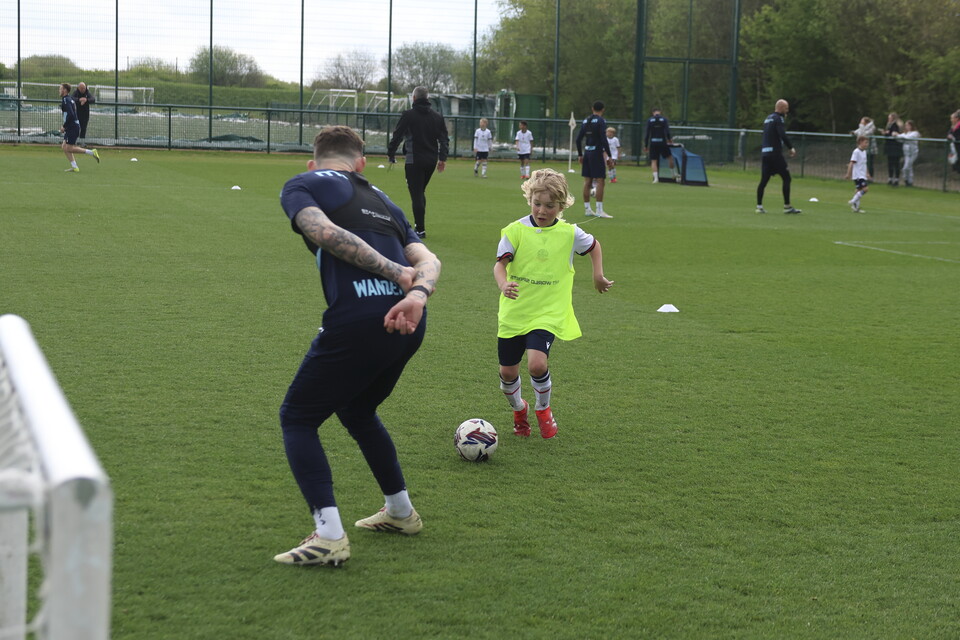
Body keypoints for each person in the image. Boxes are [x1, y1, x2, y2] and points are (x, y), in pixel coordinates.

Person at [274, 125, 442, 567]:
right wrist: (416, 294)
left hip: (359, 319)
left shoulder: (303, 183)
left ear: (313, 161)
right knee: (357, 410)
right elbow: (428, 260)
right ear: (361, 164)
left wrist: (392, 272)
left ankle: (328, 535)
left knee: (298, 417)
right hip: (409, 320)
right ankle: (401, 512)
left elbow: (320, 229)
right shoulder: (385, 199)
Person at [494, 168, 613, 439]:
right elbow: (500, 265)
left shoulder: (570, 233)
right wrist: (503, 284)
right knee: (507, 372)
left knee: (537, 364)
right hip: (515, 311)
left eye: (550, 206)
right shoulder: (515, 231)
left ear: (561, 206)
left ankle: (543, 409)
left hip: (549, 312)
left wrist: (597, 275)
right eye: (537, 204)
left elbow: (594, 246)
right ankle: (518, 409)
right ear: (529, 200)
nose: (542, 210)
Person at [387, 86, 449, 238]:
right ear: (427, 98)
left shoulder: (408, 115)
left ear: (413, 98)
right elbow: (444, 139)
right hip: (431, 161)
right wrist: (442, 158)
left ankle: (420, 229)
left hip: (414, 160)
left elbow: (398, 135)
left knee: (416, 194)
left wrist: (391, 153)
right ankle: (419, 226)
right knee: (420, 192)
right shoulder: (437, 116)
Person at [755, 99, 801, 214]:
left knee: (764, 180)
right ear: (780, 108)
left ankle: (759, 206)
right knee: (787, 178)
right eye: (786, 108)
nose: (787, 111)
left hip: (765, 154)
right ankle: (787, 207)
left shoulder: (767, 119)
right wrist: (791, 147)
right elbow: (782, 134)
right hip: (775, 154)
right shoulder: (778, 118)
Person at [576, 101, 613, 218]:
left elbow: (578, 139)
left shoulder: (586, 120)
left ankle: (587, 209)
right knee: (600, 180)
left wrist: (580, 154)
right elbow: (603, 139)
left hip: (587, 152)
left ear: (592, 109)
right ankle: (599, 210)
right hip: (596, 153)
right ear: (603, 110)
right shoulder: (601, 121)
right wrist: (609, 155)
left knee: (587, 181)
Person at [58, 83, 99, 172]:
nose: (59, 91)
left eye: (60, 89)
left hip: (72, 126)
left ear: (64, 90)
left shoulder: (66, 100)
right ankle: (74, 167)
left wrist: (64, 126)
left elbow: (71, 114)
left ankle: (92, 152)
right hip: (72, 125)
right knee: (64, 146)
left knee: (69, 148)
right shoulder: (68, 99)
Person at [643, 108, 674, 183]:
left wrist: (646, 145)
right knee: (669, 157)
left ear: (653, 113)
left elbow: (647, 134)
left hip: (653, 142)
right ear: (660, 112)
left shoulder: (650, 120)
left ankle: (656, 178)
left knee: (654, 161)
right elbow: (667, 131)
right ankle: (673, 174)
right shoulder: (664, 120)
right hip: (662, 142)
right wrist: (669, 140)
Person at [845, 136, 871, 212]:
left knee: (858, 191)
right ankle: (853, 201)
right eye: (866, 142)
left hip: (862, 174)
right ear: (860, 142)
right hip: (858, 175)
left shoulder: (864, 152)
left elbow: (864, 164)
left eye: (867, 142)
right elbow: (851, 163)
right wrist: (848, 174)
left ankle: (855, 208)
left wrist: (867, 173)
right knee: (865, 189)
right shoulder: (856, 151)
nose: (867, 144)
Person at [894, 120, 920, 187]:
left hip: (913, 152)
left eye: (908, 125)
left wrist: (898, 135)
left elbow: (908, 138)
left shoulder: (915, 133)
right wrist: (895, 135)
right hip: (906, 153)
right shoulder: (906, 133)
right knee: (908, 167)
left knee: (906, 167)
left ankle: (907, 179)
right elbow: (900, 139)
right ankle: (908, 181)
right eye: (906, 125)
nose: (907, 127)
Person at [881, 113, 903, 186]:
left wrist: (886, 133)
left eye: (889, 118)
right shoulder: (889, 125)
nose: (888, 119)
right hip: (890, 146)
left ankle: (896, 179)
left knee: (895, 163)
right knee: (890, 163)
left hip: (894, 147)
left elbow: (893, 134)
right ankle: (890, 178)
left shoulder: (895, 125)